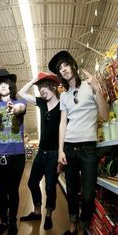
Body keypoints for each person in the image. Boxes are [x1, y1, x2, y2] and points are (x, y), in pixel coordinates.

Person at [48, 51, 109, 235]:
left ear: (72, 65)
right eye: (60, 68)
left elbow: (105, 115)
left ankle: (83, 226)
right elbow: (62, 124)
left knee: (89, 195)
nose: (64, 69)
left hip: (88, 149)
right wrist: (60, 151)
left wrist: (97, 88)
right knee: (72, 191)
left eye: (65, 64)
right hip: (69, 148)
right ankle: (73, 225)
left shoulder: (90, 86)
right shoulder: (65, 96)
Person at [18, 72, 61, 230]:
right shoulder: (41, 103)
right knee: (32, 182)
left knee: (50, 187)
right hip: (41, 151)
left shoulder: (62, 105)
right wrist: (34, 80)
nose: (42, 90)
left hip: (55, 153)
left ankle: (48, 214)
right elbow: (21, 93)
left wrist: (62, 155)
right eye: (40, 87)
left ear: (54, 87)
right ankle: (37, 212)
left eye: (46, 86)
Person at [0, 68, 27, 235]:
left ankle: (12, 221)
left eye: (6, 83)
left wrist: (14, 108)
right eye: (0, 83)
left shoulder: (21, 102)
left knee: (13, 190)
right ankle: (3, 221)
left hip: (17, 154)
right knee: (1, 192)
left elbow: (19, 108)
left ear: (11, 86)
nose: (3, 85)